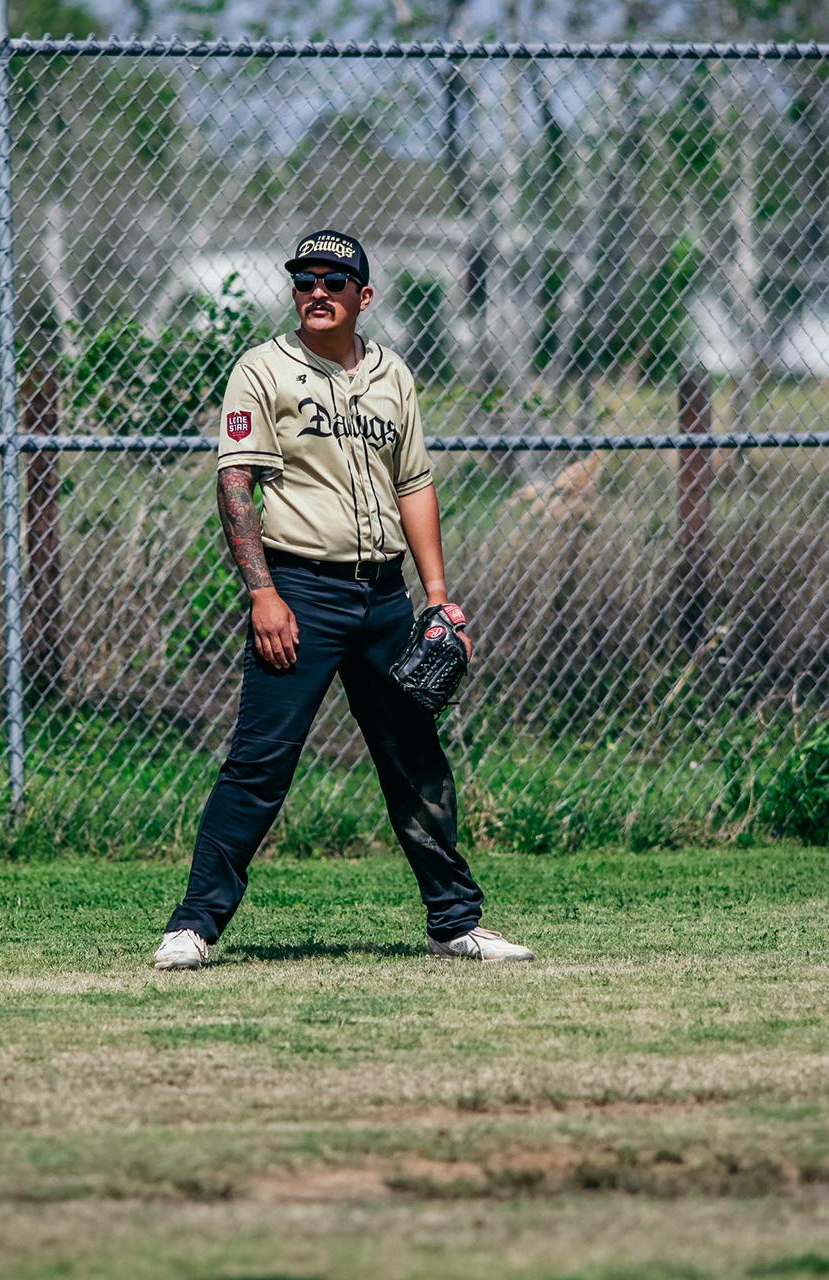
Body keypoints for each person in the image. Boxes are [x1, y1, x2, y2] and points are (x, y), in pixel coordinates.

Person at [152, 230, 535, 970]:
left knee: (415, 759)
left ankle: (455, 923)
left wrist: (437, 599)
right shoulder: (263, 369)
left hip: (385, 597)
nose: (318, 292)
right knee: (260, 764)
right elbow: (235, 483)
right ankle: (193, 925)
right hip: (299, 592)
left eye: (334, 280)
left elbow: (413, 484)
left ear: (364, 295)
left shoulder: (393, 374)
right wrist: (263, 594)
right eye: (305, 281)